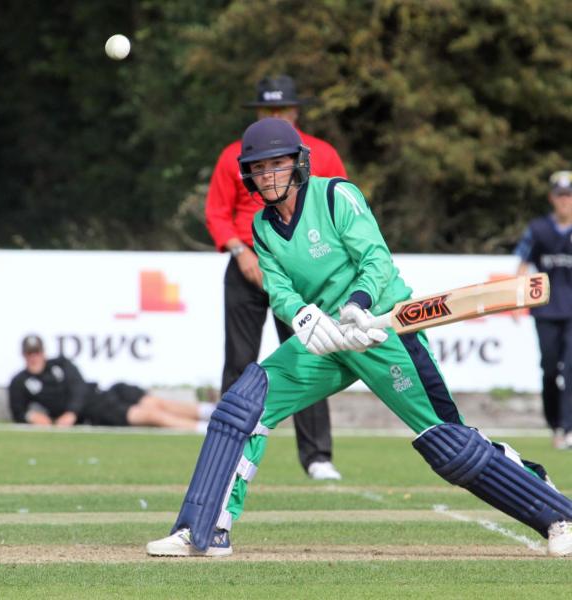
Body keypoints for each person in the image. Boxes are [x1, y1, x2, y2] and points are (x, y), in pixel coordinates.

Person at [146, 118, 572, 558]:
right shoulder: (262, 227)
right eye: (259, 167)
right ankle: (203, 529)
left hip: (380, 331)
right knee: (243, 404)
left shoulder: (336, 196)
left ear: (297, 164)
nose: (269, 175)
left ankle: (558, 513)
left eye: (278, 164)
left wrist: (358, 305)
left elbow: (375, 259)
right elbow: (280, 289)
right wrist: (303, 319)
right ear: (249, 175)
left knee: (448, 443)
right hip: (329, 341)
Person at [205, 75, 347, 480]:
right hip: (246, 263)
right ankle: (227, 448)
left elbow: (339, 205)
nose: (274, 116)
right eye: (267, 110)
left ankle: (318, 457)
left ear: (295, 111)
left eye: (281, 109)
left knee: (309, 355)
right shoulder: (235, 155)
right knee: (238, 362)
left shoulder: (321, 152)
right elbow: (217, 211)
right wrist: (240, 251)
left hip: (299, 266)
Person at [8, 335, 213, 431]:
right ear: (23, 355)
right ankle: (205, 429)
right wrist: (32, 417)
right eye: (29, 353)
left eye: (37, 352)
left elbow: (79, 386)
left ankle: (213, 413)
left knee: (157, 403)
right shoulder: (21, 382)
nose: (33, 357)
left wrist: (70, 413)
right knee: (151, 415)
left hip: (105, 392)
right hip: (95, 410)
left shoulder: (61, 364)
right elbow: (19, 412)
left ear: (43, 352)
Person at [515, 171, 572, 449]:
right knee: (550, 369)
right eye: (560, 195)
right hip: (546, 310)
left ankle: (568, 426)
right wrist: (516, 300)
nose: (565, 201)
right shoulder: (538, 229)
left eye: (569, 195)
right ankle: (555, 424)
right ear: (552, 198)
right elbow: (523, 264)